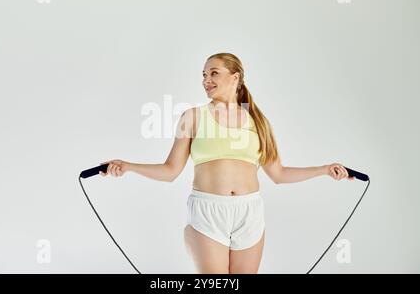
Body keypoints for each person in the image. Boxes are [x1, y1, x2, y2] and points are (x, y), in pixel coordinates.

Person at [99, 52, 354, 274]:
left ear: (235, 77)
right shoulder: (193, 117)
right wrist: (129, 166)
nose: (206, 80)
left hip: (249, 212)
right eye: (203, 74)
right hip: (209, 210)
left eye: (213, 73)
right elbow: (170, 170)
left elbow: (279, 173)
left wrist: (323, 170)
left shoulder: (259, 122)